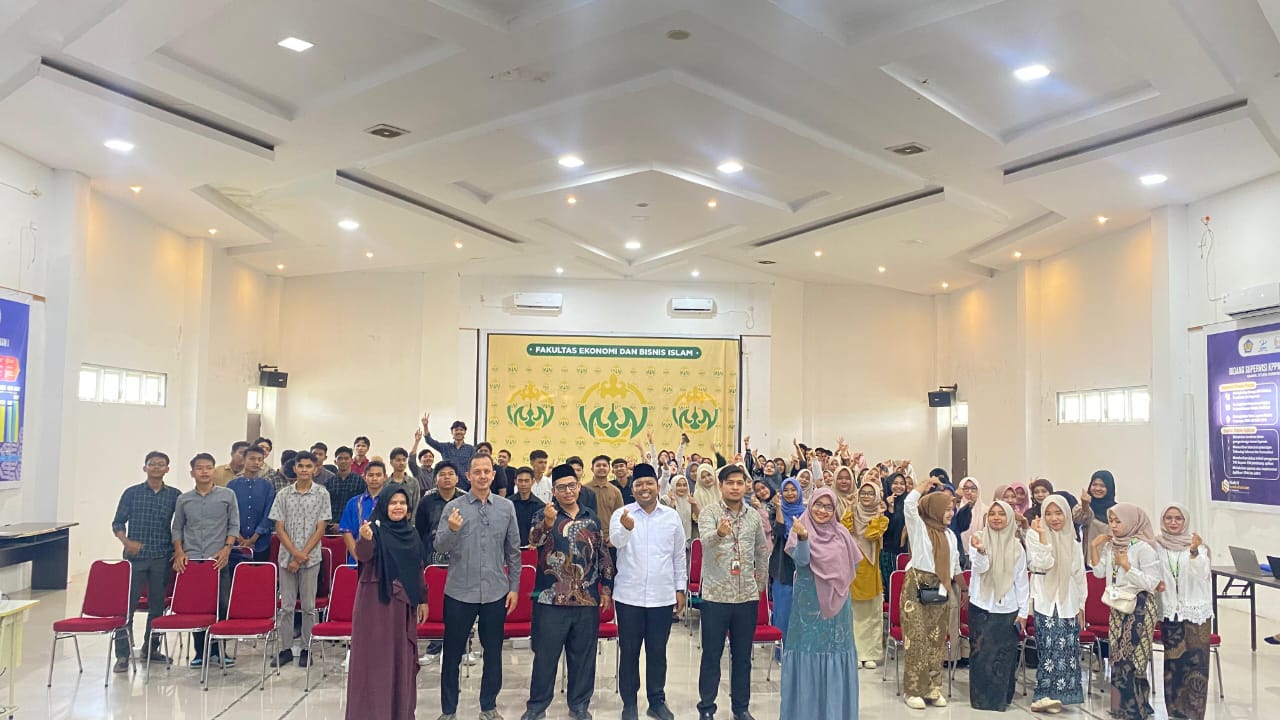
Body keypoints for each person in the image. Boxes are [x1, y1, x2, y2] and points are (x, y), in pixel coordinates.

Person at [522, 463, 615, 720]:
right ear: (553, 491)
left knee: (583, 658)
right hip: (550, 600)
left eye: (571, 486)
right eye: (561, 488)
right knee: (545, 658)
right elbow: (533, 541)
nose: (567, 491)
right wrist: (548, 523)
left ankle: (579, 705)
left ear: (579, 486)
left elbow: (602, 555)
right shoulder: (543, 514)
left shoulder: (591, 518)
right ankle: (537, 707)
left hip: (586, 600)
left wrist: (606, 588)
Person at [433, 454, 522, 720]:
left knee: (493, 652)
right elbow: (439, 547)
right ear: (468, 476)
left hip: (496, 591)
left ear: (493, 475)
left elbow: (513, 551)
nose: (482, 476)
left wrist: (514, 587)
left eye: (487, 471)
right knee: (452, 654)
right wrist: (452, 529)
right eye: (477, 472)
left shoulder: (506, 507)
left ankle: (488, 706)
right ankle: (448, 710)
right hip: (459, 592)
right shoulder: (454, 508)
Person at [609, 464, 685, 720]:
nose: (644, 488)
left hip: (661, 596)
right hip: (628, 597)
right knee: (629, 652)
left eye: (649, 483)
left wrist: (680, 588)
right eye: (639, 484)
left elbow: (678, 556)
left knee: (657, 652)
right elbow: (615, 542)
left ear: (657, 486)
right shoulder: (622, 514)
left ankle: (656, 701)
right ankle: (629, 704)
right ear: (632, 489)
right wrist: (626, 528)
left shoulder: (671, 517)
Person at [346, 486, 428, 720]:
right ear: (383, 506)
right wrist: (365, 539)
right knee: (374, 660)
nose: (398, 507)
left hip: (403, 605)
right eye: (393, 503)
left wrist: (423, 599)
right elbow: (363, 556)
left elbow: (418, 568)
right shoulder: (372, 529)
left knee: (399, 659)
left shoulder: (412, 534)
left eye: (402, 502)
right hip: (375, 606)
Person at [779, 488, 860, 719]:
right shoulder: (800, 527)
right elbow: (802, 561)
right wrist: (804, 537)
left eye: (828, 507)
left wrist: (836, 584)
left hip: (838, 609)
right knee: (808, 653)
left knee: (835, 652)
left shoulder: (842, 533)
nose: (822, 511)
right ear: (810, 504)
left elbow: (853, 564)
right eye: (818, 505)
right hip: (809, 607)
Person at [696, 464, 770, 720]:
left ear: (745, 486)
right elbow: (705, 542)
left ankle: (741, 708)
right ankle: (707, 708)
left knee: (742, 658)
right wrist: (719, 533)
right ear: (721, 486)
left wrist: (759, 585)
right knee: (711, 655)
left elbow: (761, 551)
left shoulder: (753, 516)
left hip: (746, 597)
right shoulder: (709, 512)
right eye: (730, 483)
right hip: (715, 597)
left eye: (740, 483)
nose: (735, 487)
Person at [111, 450, 182, 671]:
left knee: (157, 606)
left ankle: (151, 649)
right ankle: (122, 655)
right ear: (145, 468)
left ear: (167, 469)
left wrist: (178, 550)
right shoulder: (132, 493)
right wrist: (126, 542)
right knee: (126, 606)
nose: (156, 467)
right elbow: (117, 523)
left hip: (162, 556)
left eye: (161, 464)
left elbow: (180, 525)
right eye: (152, 464)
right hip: (135, 558)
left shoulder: (175, 495)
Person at [1090, 503, 1161, 720]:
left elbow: (1151, 582)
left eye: (1118, 521)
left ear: (1131, 522)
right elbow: (1099, 573)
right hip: (1118, 605)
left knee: (1134, 658)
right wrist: (1095, 547)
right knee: (1118, 657)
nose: (1113, 525)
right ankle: (1120, 706)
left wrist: (1127, 566)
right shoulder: (1112, 545)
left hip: (1140, 607)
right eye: (1111, 521)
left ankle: (1136, 708)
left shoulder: (1144, 548)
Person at [172, 453, 239, 669]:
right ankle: (200, 652)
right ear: (192, 472)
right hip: (192, 560)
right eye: (199, 468)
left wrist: (227, 549)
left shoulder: (227, 495)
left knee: (221, 605)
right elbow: (177, 528)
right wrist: (179, 552)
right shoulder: (184, 499)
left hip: (217, 559)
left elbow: (233, 525)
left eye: (208, 467)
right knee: (197, 608)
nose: (204, 471)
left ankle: (220, 651)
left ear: (214, 470)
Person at [901, 473, 961, 710]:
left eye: (952, 509)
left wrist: (961, 588)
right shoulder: (920, 528)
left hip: (941, 588)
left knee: (936, 640)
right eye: (946, 509)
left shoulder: (950, 535)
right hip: (916, 589)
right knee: (917, 639)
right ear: (934, 509)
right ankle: (913, 689)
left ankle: (933, 688)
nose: (950, 513)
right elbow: (909, 505)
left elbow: (954, 564)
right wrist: (923, 486)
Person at [268, 451, 331, 668]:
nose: (304, 470)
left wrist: (303, 555)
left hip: (311, 559)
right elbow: (279, 528)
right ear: (294, 468)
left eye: (308, 466)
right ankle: (285, 649)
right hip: (287, 558)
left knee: (308, 607)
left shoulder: (322, 494)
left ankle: (307, 648)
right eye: (300, 466)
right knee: (286, 607)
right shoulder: (283, 494)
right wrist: (295, 554)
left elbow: (321, 528)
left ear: (316, 469)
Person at [966, 500, 1029, 711]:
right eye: (992, 513)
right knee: (980, 656)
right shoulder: (978, 538)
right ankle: (980, 700)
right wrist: (982, 551)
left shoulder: (1017, 546)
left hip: (1008, 608)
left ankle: (1000, 700)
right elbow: (980, 568)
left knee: (1003, 658)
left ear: (1009, 518)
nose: (996, 517)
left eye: (1001, 514)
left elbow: (1022, 582)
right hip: (981, 606)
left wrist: (1023, 612)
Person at [1027, 494, 1087, 713]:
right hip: (1045, 600)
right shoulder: (1034, 536)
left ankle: (1058, 696)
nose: (1054, 518)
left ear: (1067, 515)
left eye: (1059, 513)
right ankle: (1043, 695)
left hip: (1068, 601)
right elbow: (1042, 564)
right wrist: (1044, 537)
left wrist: (1081, 605)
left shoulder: (1074, 542)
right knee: (1048, 650)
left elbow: (1079, 576)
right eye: (1049, 514)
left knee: (1067, 651)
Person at [1156, 503, 1212, 720]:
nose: (1173, 522)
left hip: (1196, 613)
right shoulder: (1157, 545)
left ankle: (1195, 713)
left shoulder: (1199, 547)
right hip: (1170, 611)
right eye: (1168, 518)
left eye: (1178, 518)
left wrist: (1194, 551)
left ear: (1185, 521)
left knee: (1197, 666)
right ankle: (1174, 712)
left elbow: (1202, 573)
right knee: (1173, 665)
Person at [845, 478, 888, 670]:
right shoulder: (850, 513)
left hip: (871, 571)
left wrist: (877, 516)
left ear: (877, 496)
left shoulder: (883, 519)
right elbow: (844, 531)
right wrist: (849, 508)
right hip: (852, 569)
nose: (866, 496)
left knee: (871, 616)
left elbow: (871, 535)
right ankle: (854, 652)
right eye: (863, 493)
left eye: (871, 493)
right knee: (853, 615)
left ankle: (869, 654)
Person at [226, 445, 276, 562]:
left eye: (260, 459)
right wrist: (238, 537)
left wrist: (254, 538)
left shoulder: (267, 486)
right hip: (235, 542)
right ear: (244, 460)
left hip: (261, 543)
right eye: (252, 459)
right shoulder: (232, 485)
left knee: (259, 572)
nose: (256, 462)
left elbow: (269, 514)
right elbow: (228, 513)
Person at [770, 478, 805, 644]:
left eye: (793, 489)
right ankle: (782, 649)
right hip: (782, 567)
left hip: (802, 566)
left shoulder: (807, 513)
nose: (790, 493)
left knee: (801, 611)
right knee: (783, 610)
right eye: (786, 490)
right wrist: (778, 508)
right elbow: (779, 531)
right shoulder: (776, 512)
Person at [416, 460, 466, 565]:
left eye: (451, 474)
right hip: (432, 558)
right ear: (435, 480)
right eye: (442, 474)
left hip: (461, 556)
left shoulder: (465, 500)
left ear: (457, 478)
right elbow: (420, 531)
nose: (447, 477)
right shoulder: (426, 501)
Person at [339, 461, 388, 564]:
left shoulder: (391, 503)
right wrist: (358, 558)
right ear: (364, 477)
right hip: (357, 562)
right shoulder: (353, 503)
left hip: (386, 561)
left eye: (378, 475)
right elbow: (347, 532)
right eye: (370, 475)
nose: (374, 478)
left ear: (385, 477)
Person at [1075, 470, 1117, 564]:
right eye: (1094, 484)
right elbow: (1079, 519)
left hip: (1111, 560)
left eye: (1102, 486)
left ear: (1109, 488)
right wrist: (1085, 505)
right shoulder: (1085, 506)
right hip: (1090, 560)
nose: (1097, 488)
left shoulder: (1116, 510)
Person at [583, 455, 624, 548]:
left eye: (604, 465)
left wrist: (614, 535)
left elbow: (619, 516)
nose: (601, 467)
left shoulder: (615, 491)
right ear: (592, 469)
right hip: (588, 538)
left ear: (609, 469)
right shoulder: (584, 489)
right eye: (598, 465)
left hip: (609, 539)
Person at [423, 414, 478, 481]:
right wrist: (425, 426)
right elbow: (429, 441)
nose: (459, 432)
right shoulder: (445, 447)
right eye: (456, 430)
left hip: (465, 484)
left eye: (461, 430)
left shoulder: (471, 449)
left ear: (465, 432)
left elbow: (475, 466)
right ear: (452, 432)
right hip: (447, 482)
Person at [326, 446, 366, 533]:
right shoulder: (330, 482)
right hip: (331, 527)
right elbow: (326, 506)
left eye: (346, 458)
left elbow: (362, 505)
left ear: (351, 461)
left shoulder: (359, 481)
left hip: (352, 525)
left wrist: (342, 525)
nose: (343, 461)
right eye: (340, 458)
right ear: (335, 461)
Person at [881, 472, 908, 593]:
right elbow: (886, 530)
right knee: (892, 590)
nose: (899, 486)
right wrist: (890, 508)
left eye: (902, 483)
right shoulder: (882, 504)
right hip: (888, 553)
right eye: (895, 483)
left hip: (905, 551)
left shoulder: (907, 503)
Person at [510, 466, 545, 545]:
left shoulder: (540, 506)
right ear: (515, 482)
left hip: (532, 548)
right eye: (520, 481)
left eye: (526, 481)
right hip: (511, 548)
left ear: (532, 482)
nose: (523, 484)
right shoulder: (508, 504)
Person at [660, 474, 693, 543]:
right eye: (678, 485)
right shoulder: (665, 500)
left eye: (684, 485)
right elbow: (664, 522)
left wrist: (694, 505)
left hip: (687, 540)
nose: (682, 488)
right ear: (673, 485)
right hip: (670, 540)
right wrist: (672, 504)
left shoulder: (689, 500)